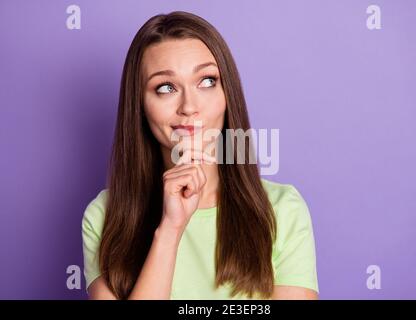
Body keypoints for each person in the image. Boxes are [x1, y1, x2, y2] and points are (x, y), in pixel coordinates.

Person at [82, 11, 319, 300]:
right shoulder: (104, 217)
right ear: (140, 105)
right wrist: (170, 229)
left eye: (206, 81)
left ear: (227, 94)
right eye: (166, 87)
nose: (189, 107)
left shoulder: (283, 210)